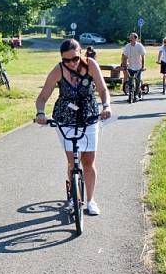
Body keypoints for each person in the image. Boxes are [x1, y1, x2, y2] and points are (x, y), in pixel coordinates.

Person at [35, 39, 112, 216]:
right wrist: (40, 113)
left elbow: (102, 90)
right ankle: (72, 198)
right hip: (65, 118)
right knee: (72, 161)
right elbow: (42, 97)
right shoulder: (58, 70)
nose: (71, 63)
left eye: (75, 58)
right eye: (66, 60)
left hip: (89, 116)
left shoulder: (91, 65)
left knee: (88, 161)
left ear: (81, 53)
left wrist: (106, 106)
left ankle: (91, 200)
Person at [121, 32, 146, 99]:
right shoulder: (127, 46)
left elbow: (143, 56)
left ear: (136, 39)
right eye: (130, 37)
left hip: (138, 67)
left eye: (132, 37)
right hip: (130, 66)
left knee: (138, 80)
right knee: (130, 80)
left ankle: (136, 94)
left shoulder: (139, 46)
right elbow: (125, 57)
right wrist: (124, 65)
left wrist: (143, 66)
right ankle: (131, 92)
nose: (130, 39)